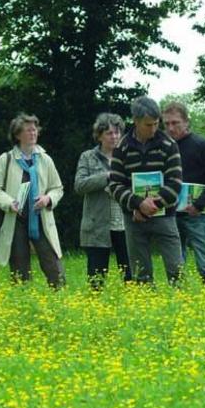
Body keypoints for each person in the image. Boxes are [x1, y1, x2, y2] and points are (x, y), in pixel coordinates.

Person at [108, 96, 184, 285]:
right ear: (136, 121)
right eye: (148, 125)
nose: (153, 129)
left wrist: (154, 205)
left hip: (165, 216)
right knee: (141, 275)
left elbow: (175, 183)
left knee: (177, 270)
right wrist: (138, 204)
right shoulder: (121, 147)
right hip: (134, 218)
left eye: (156, 124)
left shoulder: (169, 145)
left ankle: (183, 308)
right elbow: (115, 185)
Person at [0, 113, 65, 287]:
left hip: (41, 218)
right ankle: (23, 304)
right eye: (28, 130)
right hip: (16, 220)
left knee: (54, 267)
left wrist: (47, 198)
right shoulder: (5, 159)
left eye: (35, 129)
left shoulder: (45, 159)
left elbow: (57, 188)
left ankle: (61, 300)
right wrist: (9, 203)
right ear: (17, 135)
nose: (33, 133)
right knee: (19, 269)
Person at [163, 102, 205, 285]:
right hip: (172, 212)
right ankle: (179, 301)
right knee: (175, 263)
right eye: (166, 124)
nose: (171, 128)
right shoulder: (163, 147)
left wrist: (200, 204)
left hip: (197, 212)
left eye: (175, 123)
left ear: (186, 122)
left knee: (204, 263)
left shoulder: (202, 145)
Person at [74, 113, 131, 289]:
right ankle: (93, 309)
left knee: (132, 275)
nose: (114, 137)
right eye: (108, 133)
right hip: (97, 224)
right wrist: (106, 176)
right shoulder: (88, 157)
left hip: (126, 222)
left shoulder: (129, 155)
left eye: (117, 132)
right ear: (99, 136)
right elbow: (79, 185)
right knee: (96, 277)